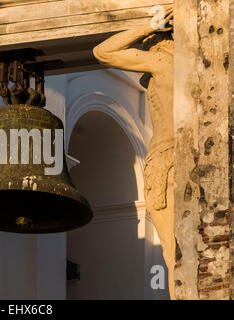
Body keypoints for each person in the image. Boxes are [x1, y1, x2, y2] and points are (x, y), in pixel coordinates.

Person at [93, 9, 175, 298]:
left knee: (174, 253)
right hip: (169, 162)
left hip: (167, 162)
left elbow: (103, 52)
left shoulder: (165, 61)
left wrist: (146, 26)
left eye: (148, 41)